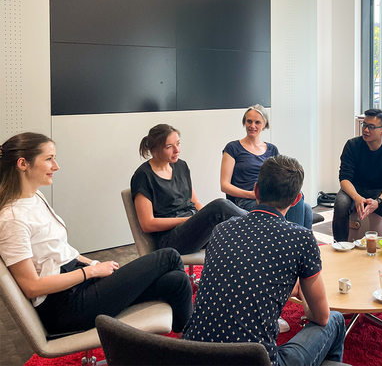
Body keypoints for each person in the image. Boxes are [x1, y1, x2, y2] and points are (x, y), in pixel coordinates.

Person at [0, 132, 192, 336]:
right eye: (49, 159)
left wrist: (92, 264)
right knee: (168, 256)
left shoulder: (35, 197)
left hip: (78, 283)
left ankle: (185, 343)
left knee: (177, 281)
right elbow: (31, 287)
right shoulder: (12, 219)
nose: (56, 166)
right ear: (23, 164)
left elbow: (62, 252)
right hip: (66, 307)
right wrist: (90, 272)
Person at [184, 155, 346, 366]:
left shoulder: (222, 230)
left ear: (256, 190)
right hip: (256, 361)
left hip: (191, 354)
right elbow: (320, 317)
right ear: (297, 199)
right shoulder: (301, 238)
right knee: (335, 320)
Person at [131, 124, 246, 255]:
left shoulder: (181, 166)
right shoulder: (143, 176)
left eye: (178, 144)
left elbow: (195, 202)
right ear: (155, 149)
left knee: (231, 231)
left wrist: (203, 216)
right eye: (169, 147)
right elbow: (147, 224)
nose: (177, 150)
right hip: (170, 240)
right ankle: (261, 224)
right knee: (221, 206)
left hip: (192, 229)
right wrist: (190, 220)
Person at [220, 104, 317, 228]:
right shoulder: (232, 148)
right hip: (247, 199)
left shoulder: (272, 149)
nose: (252, 126)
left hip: (272, 196)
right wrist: (252, 194)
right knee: (302, 206)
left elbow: (282, 178)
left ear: (264, 124)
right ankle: (294, 242)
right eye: (249, 121)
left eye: (257, 122)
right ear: (244, 121)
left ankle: (294, 241)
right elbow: (224, 185)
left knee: (306, 208)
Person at [332, 108, 382, 242]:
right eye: (364, 125)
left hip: (380, 192)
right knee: (341, 203)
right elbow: (344, 179)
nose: (365, 130)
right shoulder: (352, 145)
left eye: (371, 127)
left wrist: (379, 201)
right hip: (354, 189)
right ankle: (340, 245)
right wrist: (357, 197)